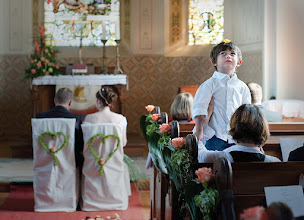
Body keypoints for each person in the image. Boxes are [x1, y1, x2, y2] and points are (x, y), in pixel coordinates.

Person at [193, 39, 251, 151]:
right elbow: (200, 108)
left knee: (235, 166)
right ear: (214, 62)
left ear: (239, 62)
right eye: (223, 53)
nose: (228, 56)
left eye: (232, 54)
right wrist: (199, 130)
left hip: (237, 138)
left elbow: (247, 113)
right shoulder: (210, 84)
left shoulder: (242, 87)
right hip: (214, 136)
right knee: (214, 165)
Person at [198, 104, 281, 163]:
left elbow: (200, 153)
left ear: (234, 127)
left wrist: (202, 126)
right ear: (262, 129)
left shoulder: (222, 158)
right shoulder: (274, 162)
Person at [36, 87, 84, 168]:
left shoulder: (40, 117)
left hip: (46, 158)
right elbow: (80, 145)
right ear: (70, 103)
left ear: (55, 100)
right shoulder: (75, 119)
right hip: (69, 160)